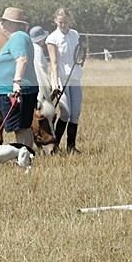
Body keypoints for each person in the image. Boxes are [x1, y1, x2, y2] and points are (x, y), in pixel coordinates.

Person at [0, 7, 38, 148]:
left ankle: (23, 156)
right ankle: (26, 155)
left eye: (4, 21)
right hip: (13, 90)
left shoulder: (18, 37)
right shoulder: (17, 38)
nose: (2, 25)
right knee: (23, 126)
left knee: (20, 127)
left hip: (14, 91)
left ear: (11, 23)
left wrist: (17, 82)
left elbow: (22, 59)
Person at [46, 8, 84, 153]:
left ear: (69, 21)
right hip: (61, 78)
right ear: (55, 20)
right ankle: (55, 145)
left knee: (75, 113)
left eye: (66, 22)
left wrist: (83, 50)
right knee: (66, 112)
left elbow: (79, 56)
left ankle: (71, 146)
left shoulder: (75, 34)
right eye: (60, 22)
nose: (63, 25)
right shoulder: (52, 38)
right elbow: (54, 63)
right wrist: (56, 84)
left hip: (74, 76)